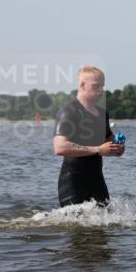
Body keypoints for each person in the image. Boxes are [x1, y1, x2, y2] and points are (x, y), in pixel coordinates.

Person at [53, 66, 124, 207]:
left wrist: (117, 148)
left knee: (106, 219)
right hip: (73, 183)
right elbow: (60, 147)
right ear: (82, 85)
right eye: (96, 86)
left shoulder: (102, 113)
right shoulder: (69, 111)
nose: (101, 90)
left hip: (97, 181)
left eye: (102, 86)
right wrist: (98, 149)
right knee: (77, 220)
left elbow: (108, 141)